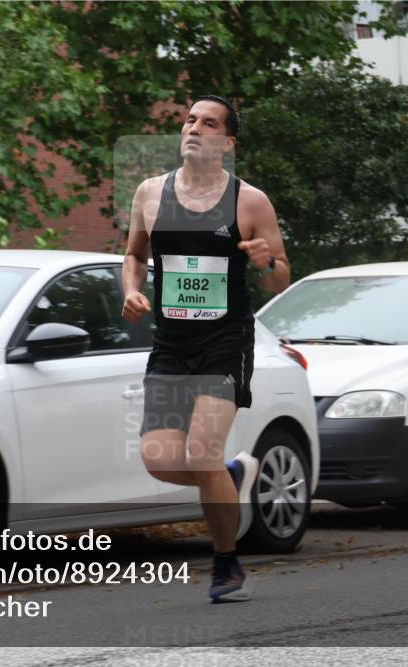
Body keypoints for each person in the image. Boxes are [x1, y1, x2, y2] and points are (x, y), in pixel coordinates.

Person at [121, 95, 291, 603]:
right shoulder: (150, 194)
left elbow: (281, 277)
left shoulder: (250, 202)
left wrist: (265, 261)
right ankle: (233, 475)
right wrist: (131, 289)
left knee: (201, 452)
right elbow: (133, 255)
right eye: (190, 120)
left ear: (227, 142)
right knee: (158, 459)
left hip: (226, 341)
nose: (195, 128)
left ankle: (227, 566)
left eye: (209, 123)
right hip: (171, 343)